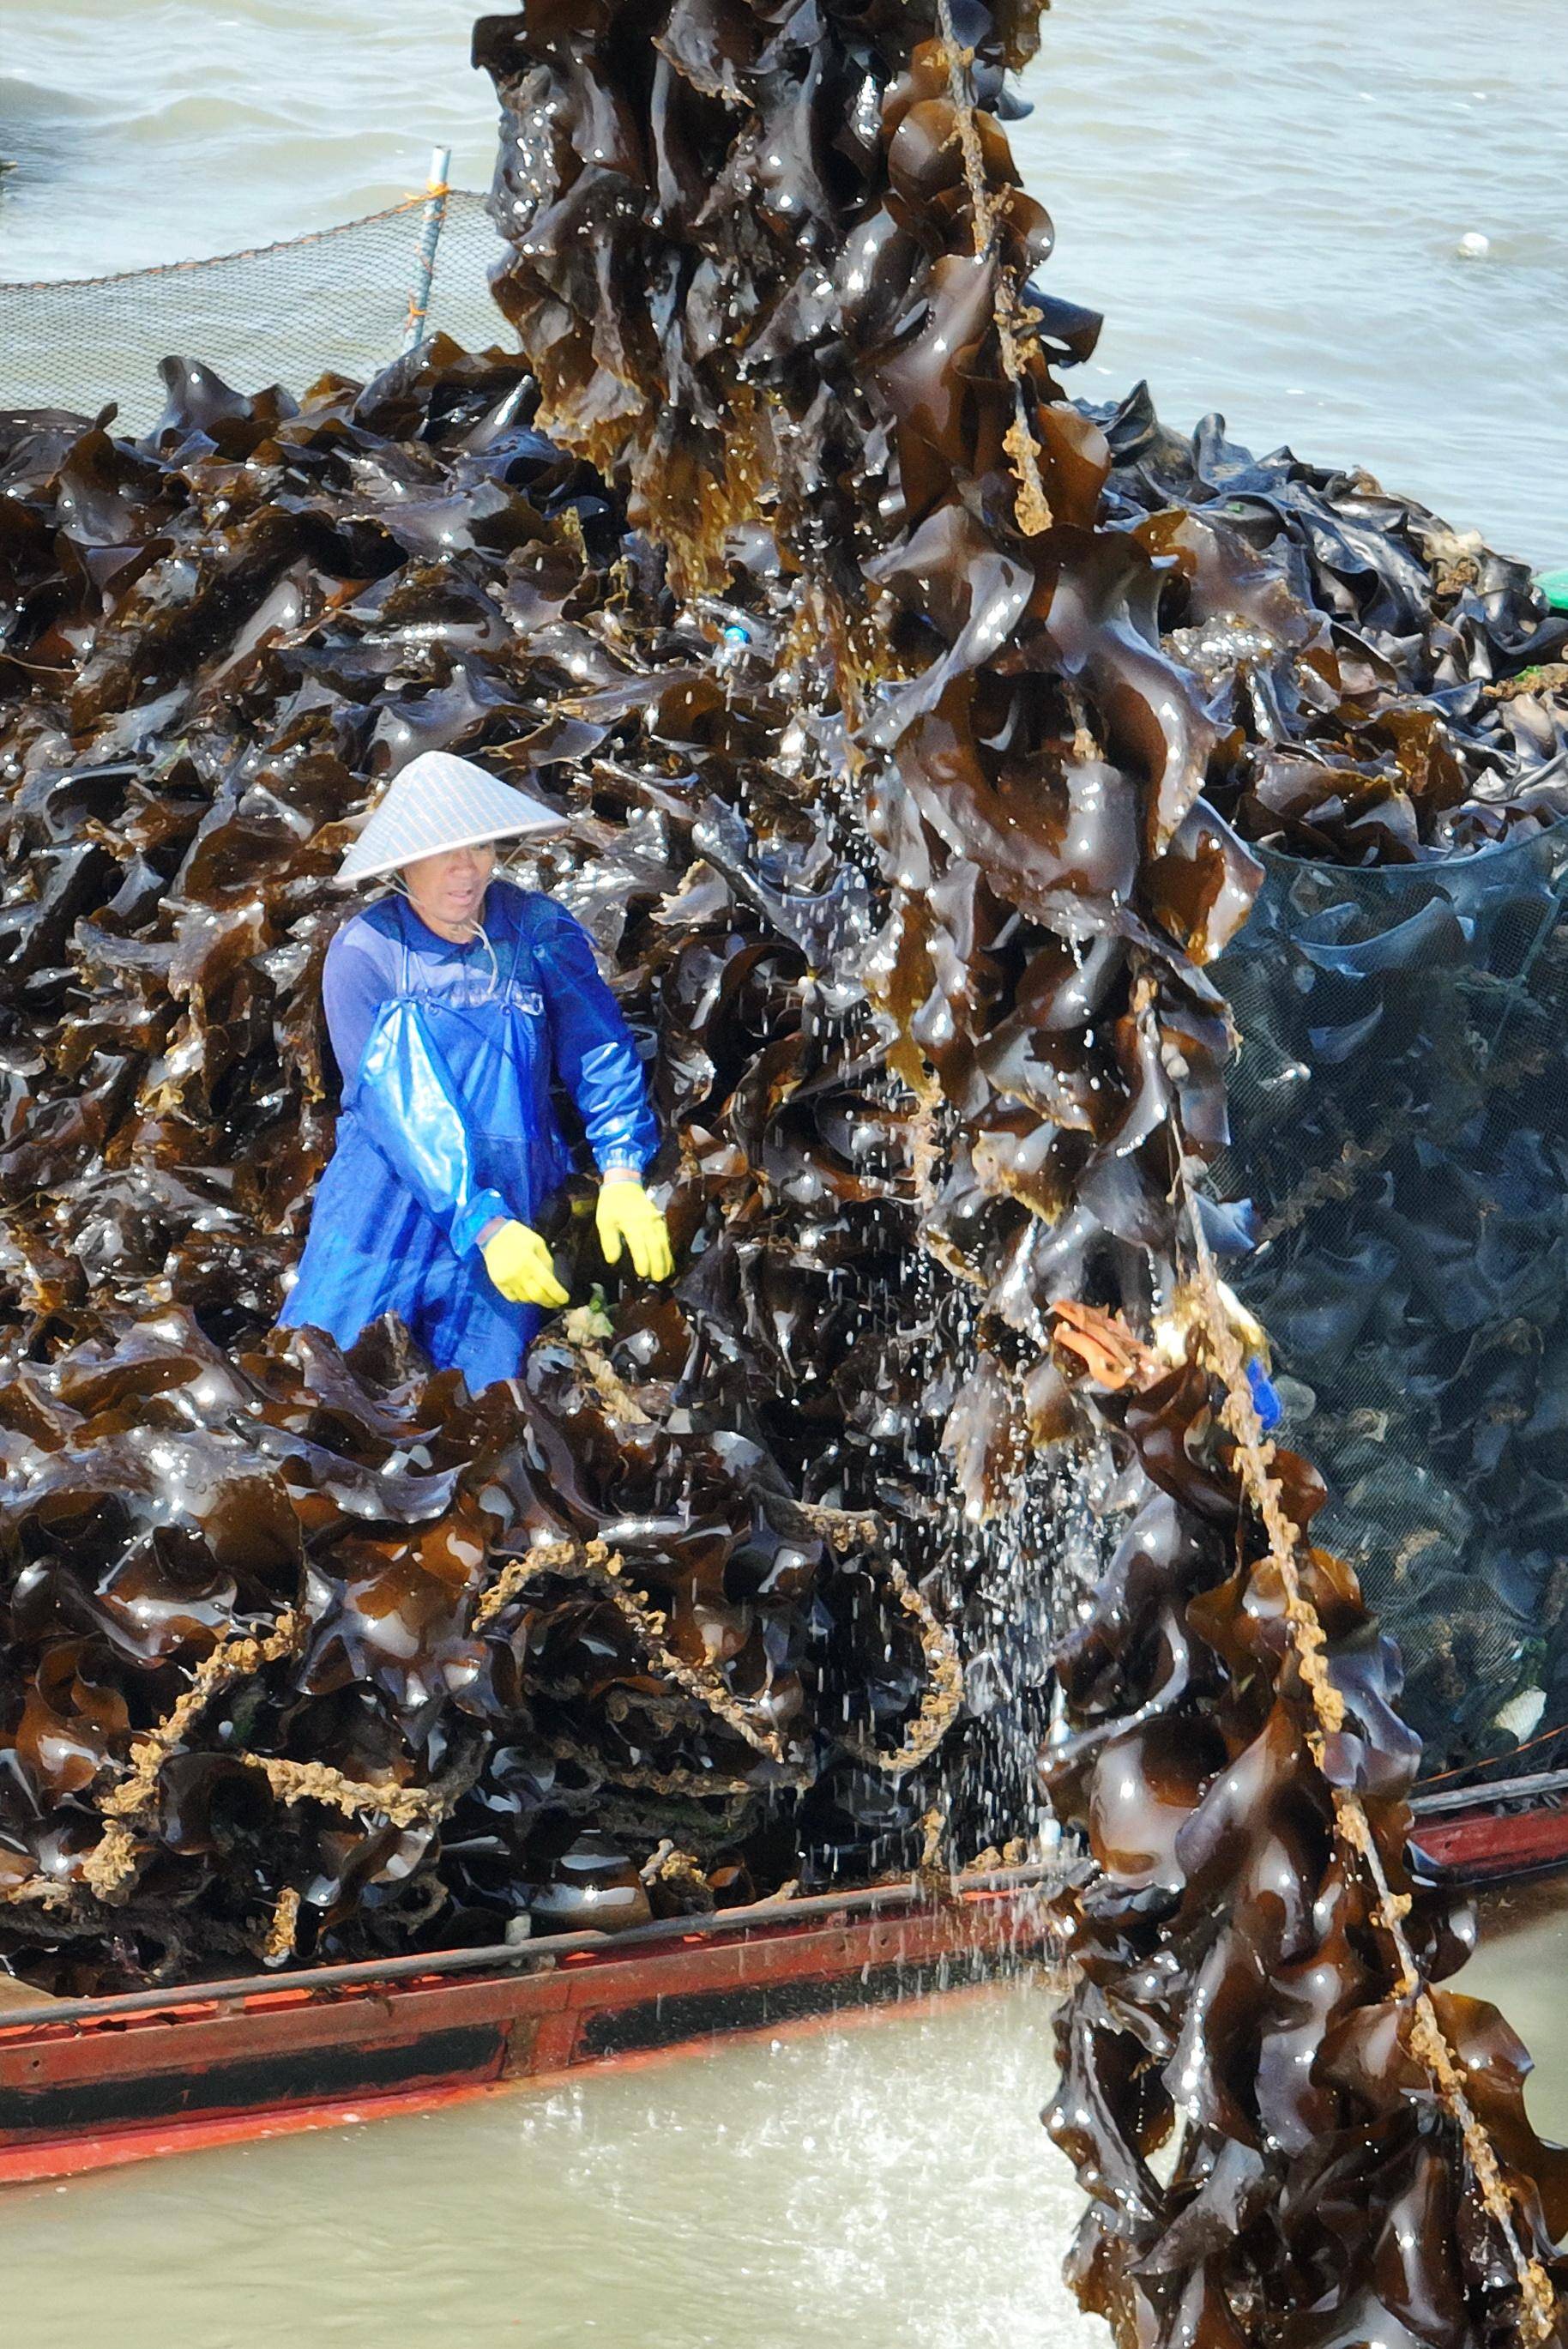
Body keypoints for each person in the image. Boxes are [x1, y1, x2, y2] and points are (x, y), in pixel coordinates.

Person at [279, 750, 672, 1389]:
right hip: (383, 1214)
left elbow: (597, 1047)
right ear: (404, 860)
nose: (467, 870)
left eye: (481, 847)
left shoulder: (539, 930)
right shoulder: (365, 952)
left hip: (515, 1211)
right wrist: (481, 1221)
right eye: (444, 851)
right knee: (328, 1395)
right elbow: (399, 1107)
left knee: (479, 1422)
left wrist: (623, 1172)